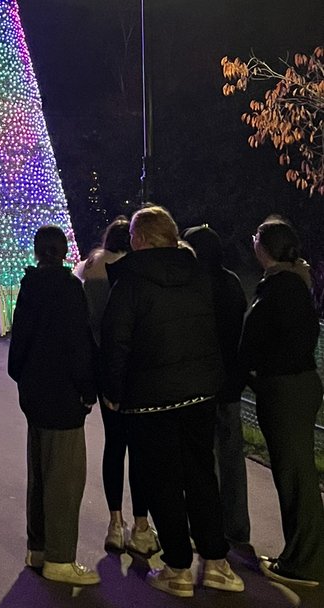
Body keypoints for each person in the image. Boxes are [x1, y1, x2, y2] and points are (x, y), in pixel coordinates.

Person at [101, 205, 243, 597]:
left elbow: (117, 343)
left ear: (141, 239)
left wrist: (113, 392)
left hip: (150, 399)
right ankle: (216, 561)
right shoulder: (198, 275)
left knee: (162, 480)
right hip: (199, 393)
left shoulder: (129, 281)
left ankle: (178, 566)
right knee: (201, 476)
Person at [7, 224, 100, 586]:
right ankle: (61, 558)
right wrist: (87, 388)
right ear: (63, 251)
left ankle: (39, 547)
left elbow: (20, 346)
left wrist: (25, 379)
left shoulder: (29, 286)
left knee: (40, 473)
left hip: (35, 393)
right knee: (64, 476)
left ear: (36, 251)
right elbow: (79, 343)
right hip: (64, 395)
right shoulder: (70, 289)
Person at [238, 217, 324, 589]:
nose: (253, 241)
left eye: (257, 236)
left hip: (284, 391)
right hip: (299, 386)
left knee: (295, 477)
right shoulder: (296, 284)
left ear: (265, 247)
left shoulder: (278, 289)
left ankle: (305, 562)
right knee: (298, 473)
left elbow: (254, 342)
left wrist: (250, 375)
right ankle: (301, 554)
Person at [75, 217, 157, 558]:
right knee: (140, 448)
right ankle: (141, 525)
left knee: (114, 444)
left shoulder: (90, 269)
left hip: (101, 364)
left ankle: (114, 522)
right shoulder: (138, 273)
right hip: (136, 369)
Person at [182, 225, 251, 556]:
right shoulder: (232, 282)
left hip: (201, 384)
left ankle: (204, 527)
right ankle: (236, 526)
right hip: (230, 382)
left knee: (200, 460)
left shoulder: (193, 286)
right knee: (232, 454)